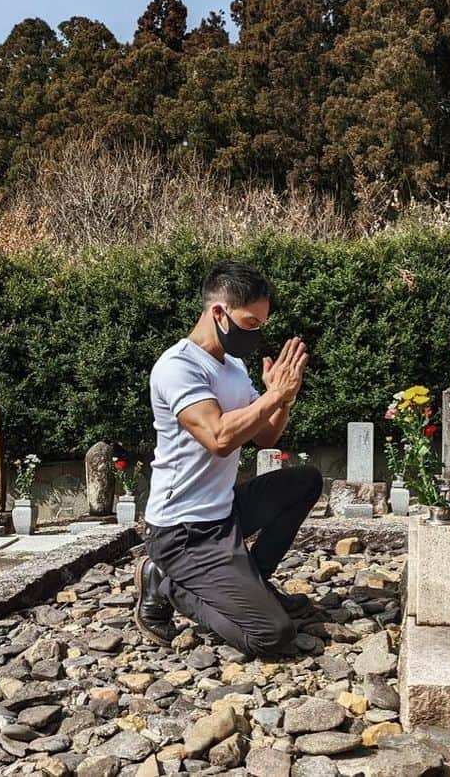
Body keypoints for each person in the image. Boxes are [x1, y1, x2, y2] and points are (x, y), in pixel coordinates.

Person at [134, 260, 322, 657]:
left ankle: (255, 580)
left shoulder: (233, 365)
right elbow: (218, 437)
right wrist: (272, 396)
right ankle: (167, 581)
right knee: (272, 636)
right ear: (219, 313)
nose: (256, 334)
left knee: (305, 480)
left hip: (224, 513)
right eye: (251, 323)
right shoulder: (177, 367)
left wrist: (282, 399)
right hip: (183, 532)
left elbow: (266, 436)